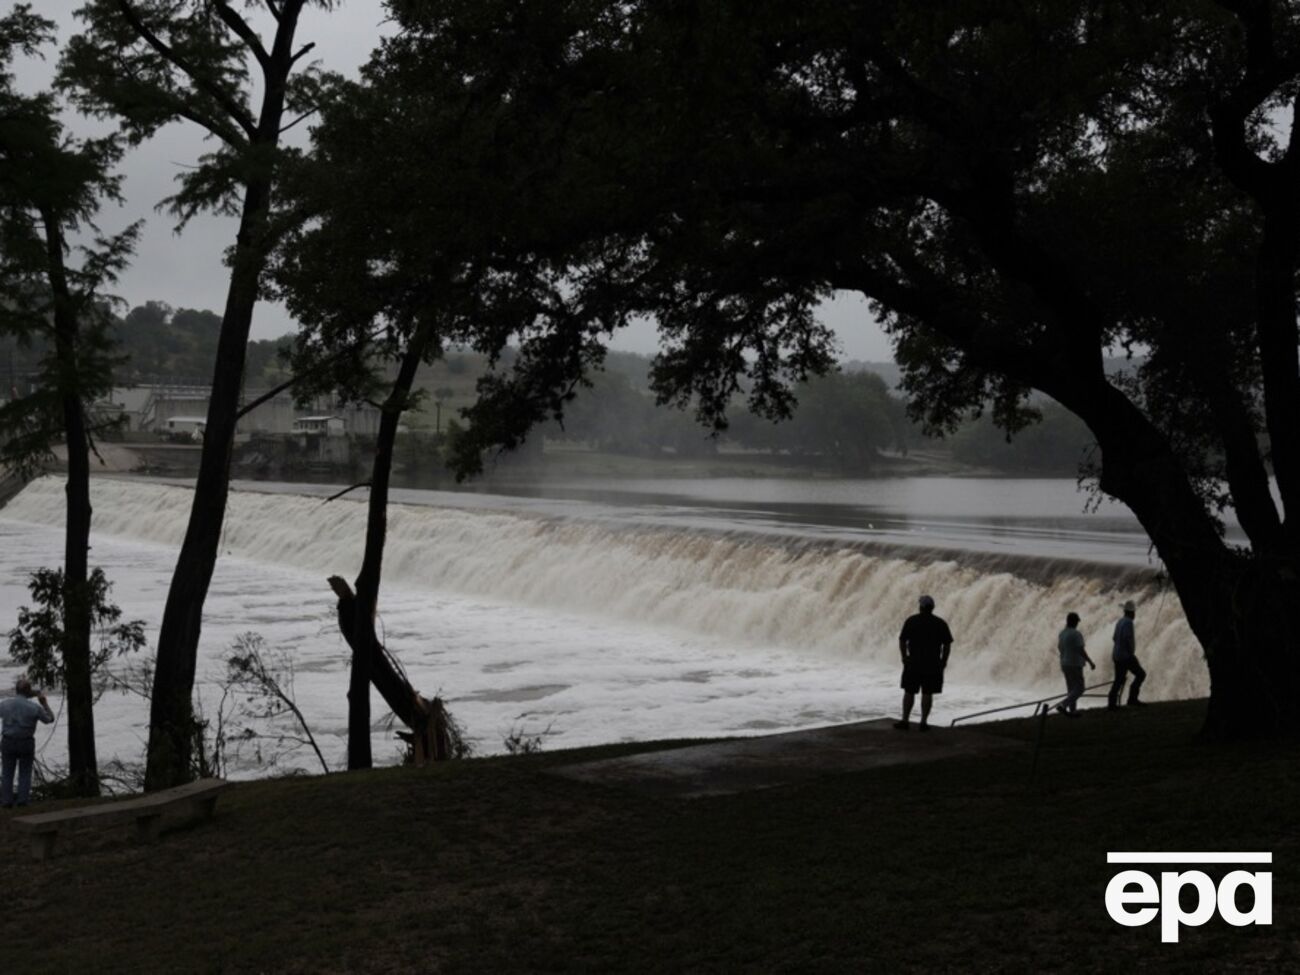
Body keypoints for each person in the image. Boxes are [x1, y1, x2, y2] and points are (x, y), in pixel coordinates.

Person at [894, 594, 953, 732]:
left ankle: (905, 721)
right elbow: (947, 645)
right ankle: (923, 723)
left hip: (913, 662)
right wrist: (943, 661)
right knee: (927, 693)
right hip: (932, 664)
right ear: (932, 608)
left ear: (920, 607)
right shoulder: (940, 623)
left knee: (909, 691)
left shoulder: (912, 621)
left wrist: (904, 657)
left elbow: (902, 640)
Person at [0, 676, 54, 808]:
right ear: (29, 692)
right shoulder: (34, 707)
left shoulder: (5, 704)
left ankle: (6, 801)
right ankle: (22, 800)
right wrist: (44, 703)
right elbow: (50, 719)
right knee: (25, 772)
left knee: (7, 772)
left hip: (8, 741)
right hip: (26, 742)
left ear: (16, 690)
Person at [1053, 612, 1095, 716]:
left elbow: (1059, 647)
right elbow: (1081, 650)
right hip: (1074, 664)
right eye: (1077, 621)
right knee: (1080, 688)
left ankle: (1072, 711)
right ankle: (1063, 705)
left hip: (1064, 663)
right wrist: (1090, 661)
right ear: (1074, 622)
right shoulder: (1076, 634)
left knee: (1071, 689)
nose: (1077, 623)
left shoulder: (1062, 633)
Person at [1108, 599, 1146, 709]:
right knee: (1141, 674)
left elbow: (1114, 638)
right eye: (1134, 612)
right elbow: (1127, 638)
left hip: (1116, 655)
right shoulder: (1129, 622)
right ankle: (1132, 699)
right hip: (1125, 656)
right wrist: (1131, 653)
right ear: (1131, 613)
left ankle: (1112, 703)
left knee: (1119, 679)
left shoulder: (1120, 621)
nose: (1134, 614)